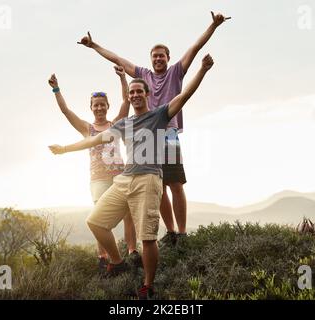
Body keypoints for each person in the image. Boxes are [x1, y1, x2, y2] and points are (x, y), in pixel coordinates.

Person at [49, 54, 214, 299]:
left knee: (147, 238)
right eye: (132, 92)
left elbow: (184, 96)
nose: (135, 95)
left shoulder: (159, 115)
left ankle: (147, 285)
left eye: (139, 91)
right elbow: (93, 140)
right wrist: (65, 149)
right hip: (124, 179)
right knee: (95, 222)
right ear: (128, 97)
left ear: (147, 95)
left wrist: (202, 70)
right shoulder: (123, 124)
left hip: (149, 179)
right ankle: (117, 262)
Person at [77, 12, 230, 245]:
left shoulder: (176, 72)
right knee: (156, 186)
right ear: (150, 60)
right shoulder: (143, 76)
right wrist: (94, 45)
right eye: (154, 56)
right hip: (145, 138)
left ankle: (182, 232)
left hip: (167, 135)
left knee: (175, 183)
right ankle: (170, 233)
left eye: (161, 56)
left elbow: (195, 47)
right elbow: (117, 59)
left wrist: (214, 26)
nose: (158, 59)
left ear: (168, 58)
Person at [48, 66, 142, 272]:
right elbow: (66, 111)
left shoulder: (117, 123)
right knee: (100, 218)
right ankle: (104, 256)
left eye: (102, 105)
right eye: (95, 105)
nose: (99, 108)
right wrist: (56, 90)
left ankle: (132, 251)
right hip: (98, 180)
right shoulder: (86, 129)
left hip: (120, 175)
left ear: (107, 106)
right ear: (91, 108)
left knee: (128, 215)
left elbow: (126, 101)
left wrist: (122, 78)